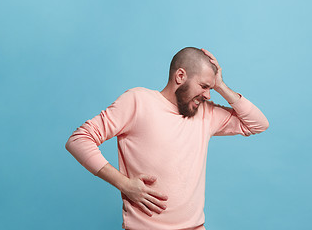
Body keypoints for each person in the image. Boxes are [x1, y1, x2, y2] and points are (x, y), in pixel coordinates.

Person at [65, 47, 269, 230]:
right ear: (180, 76)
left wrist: (221, 86)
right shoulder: (138, 101)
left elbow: (258, 124)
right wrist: (124, 184)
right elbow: (79, 140)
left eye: (211, 88)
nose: (208, 94)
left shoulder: (206, 114)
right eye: (204, 86)